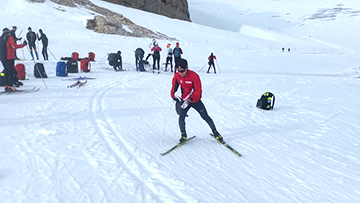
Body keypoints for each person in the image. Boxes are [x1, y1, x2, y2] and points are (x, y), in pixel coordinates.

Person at [170, 58, 223, 143]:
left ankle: (216, 132)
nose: (181, 73)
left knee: (205, 116)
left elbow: (198, 91)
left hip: (195, 101)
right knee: (181, 117)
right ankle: (183, 135)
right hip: (184, 100)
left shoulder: (194, 76)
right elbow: (174, 87)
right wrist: (173, 96)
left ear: (187, 68)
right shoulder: (177, 76)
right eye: (179, 70)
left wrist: (190, 99)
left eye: (182, 71)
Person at [0, 28, 27, 92]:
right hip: (9, 57)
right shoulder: (9, 37)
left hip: (2, 58)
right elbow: (14, 46)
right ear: (8, 32)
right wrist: (23, 45)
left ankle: (6, 86)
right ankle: (10, 86)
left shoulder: (1, 38)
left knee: (6, 71)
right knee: (11, 71)